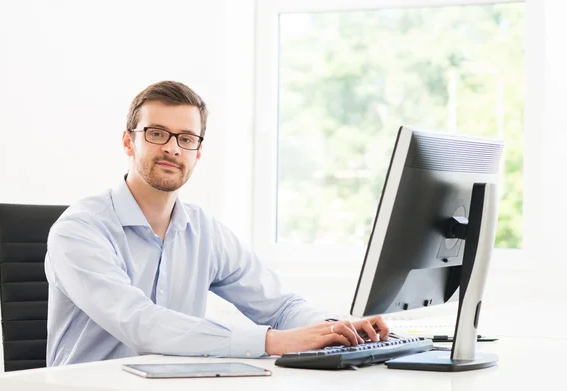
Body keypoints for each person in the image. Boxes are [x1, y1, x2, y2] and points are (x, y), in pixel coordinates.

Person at [44, 80, 389, 366]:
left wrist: (334, 329)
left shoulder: (203, 231)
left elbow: (280, 306)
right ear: (128, 142)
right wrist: (272, 341)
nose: (173, 149)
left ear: (198, 151)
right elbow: (141, 323)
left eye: (186, 138)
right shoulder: (79, 230)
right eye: (157, 134)